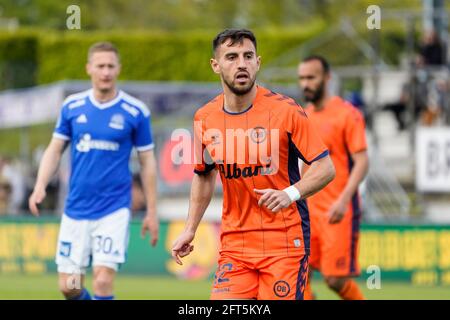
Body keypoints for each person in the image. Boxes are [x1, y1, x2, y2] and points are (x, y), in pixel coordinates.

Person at [171, 29, 335, 300]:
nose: (241, 64)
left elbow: (325, 168)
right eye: (232, 57)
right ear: (216, 65)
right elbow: (203, 175)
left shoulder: (286, 111)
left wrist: (288, 194)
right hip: (235, 246)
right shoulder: (205, 118)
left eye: (248, 56)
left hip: (284, 243)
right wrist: (190, 229)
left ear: (258, 62)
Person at [28, 42, 159, 300]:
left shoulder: (135, 112)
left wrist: (152, 211)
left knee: (102, 280)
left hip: (113, 209)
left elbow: (148, 163)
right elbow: (55, 149)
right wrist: (40, 185)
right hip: (76, 209)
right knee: (70, 286)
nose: (106, 72)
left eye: (111, 66)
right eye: (100, 66)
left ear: (118, 69)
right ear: (89, 68)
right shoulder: (72, 107)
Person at [297, 55, 369, 300]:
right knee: (298, 274)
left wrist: (344, 200)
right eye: (302, 78)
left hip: (337, 210)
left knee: (335, 279)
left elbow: (362, 161)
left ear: (327, 78)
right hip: (307, 210)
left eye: (311, 77)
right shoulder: (303, 116)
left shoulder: (347, 114)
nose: (305, 83)